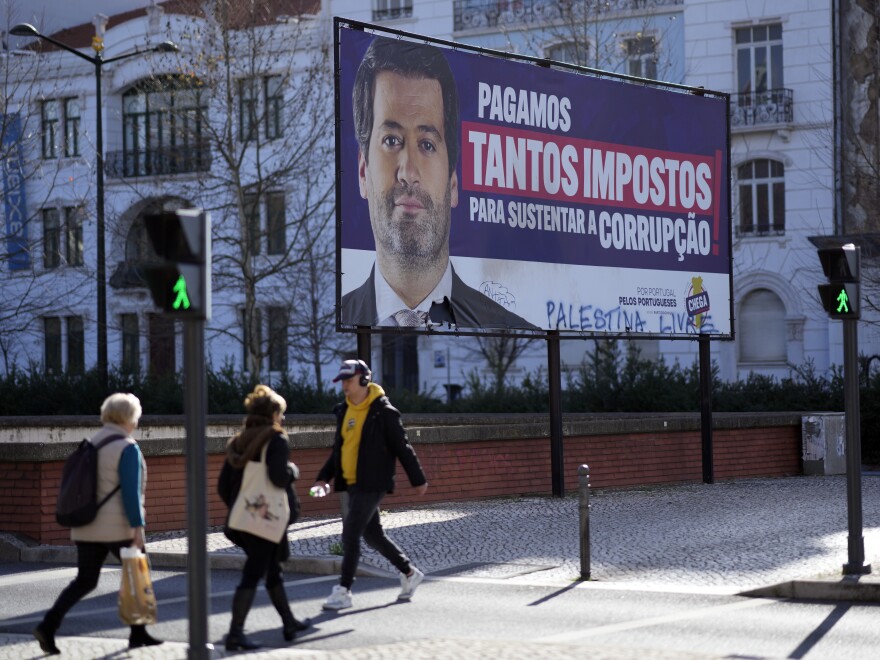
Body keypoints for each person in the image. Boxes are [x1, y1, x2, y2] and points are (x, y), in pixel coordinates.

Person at [340, 36, 537, 331]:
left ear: (453, 181)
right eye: (391, 141)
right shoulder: (341, 315)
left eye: (428, 144)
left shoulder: (506, 327)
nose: (408, 172)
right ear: (362, 172)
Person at [33, 393, 163, 655]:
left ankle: (48, 626)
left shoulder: (91, 443)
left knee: (85, 580)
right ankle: (138, 633)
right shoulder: (127, 447)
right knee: (137, 575)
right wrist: (138, 528)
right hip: (118, 527)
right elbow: (131, 493)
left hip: (86, 524)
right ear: (129, 417)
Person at [313, 359, 429, 610]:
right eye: (342, 381)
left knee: (351, 532)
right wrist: (323, 477)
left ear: (364, 380)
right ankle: (409, 573)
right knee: (373, 534)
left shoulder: (383, 412)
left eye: (349, 380)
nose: (344, 385)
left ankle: (343, 590)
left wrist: (417, 479)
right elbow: (339, 450)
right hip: (352, 482)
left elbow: (403, 447)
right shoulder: (344, 411)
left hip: (374, 481)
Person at [217, 384, 307, 650]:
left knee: (271, 570)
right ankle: (235, 633)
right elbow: (278, 477)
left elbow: (223, 485)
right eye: (281, 412)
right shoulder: (275, 439)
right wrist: (292, 471)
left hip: (244, 519)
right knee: (254, 572)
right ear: (273, 414)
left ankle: (289, 622)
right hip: (265, 519)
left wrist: (243, 507)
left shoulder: (239, 440)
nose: (283, 418)